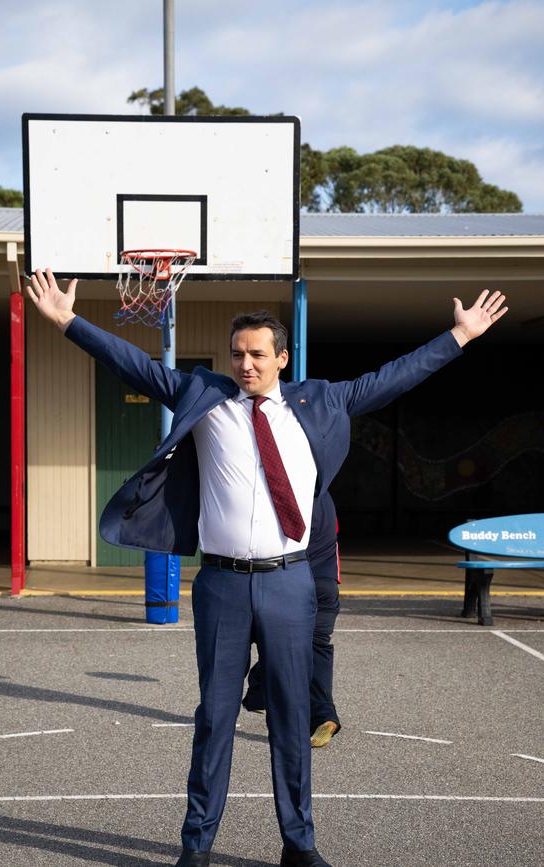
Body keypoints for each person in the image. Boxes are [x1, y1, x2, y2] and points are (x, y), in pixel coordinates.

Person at [27, 268, 506, 867]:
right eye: (237, 354)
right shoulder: (206, 396)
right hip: (222, 584)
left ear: (282, 357)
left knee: (290, 717)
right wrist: (69, 321)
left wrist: (458, 337)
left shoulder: (324, 400)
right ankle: (196, 847)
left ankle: (298, 844)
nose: (245, 364)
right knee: (216, 719)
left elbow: (395, 376)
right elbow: (134, 365)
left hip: (289, 582)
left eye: (257, 354)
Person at [243, 491, 342, 749]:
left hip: (297, 583)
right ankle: (324, 715)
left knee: (281, 648)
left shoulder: (289, 498)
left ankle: (263, 695)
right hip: (327, 583)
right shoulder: (327, 501)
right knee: (317, 646)